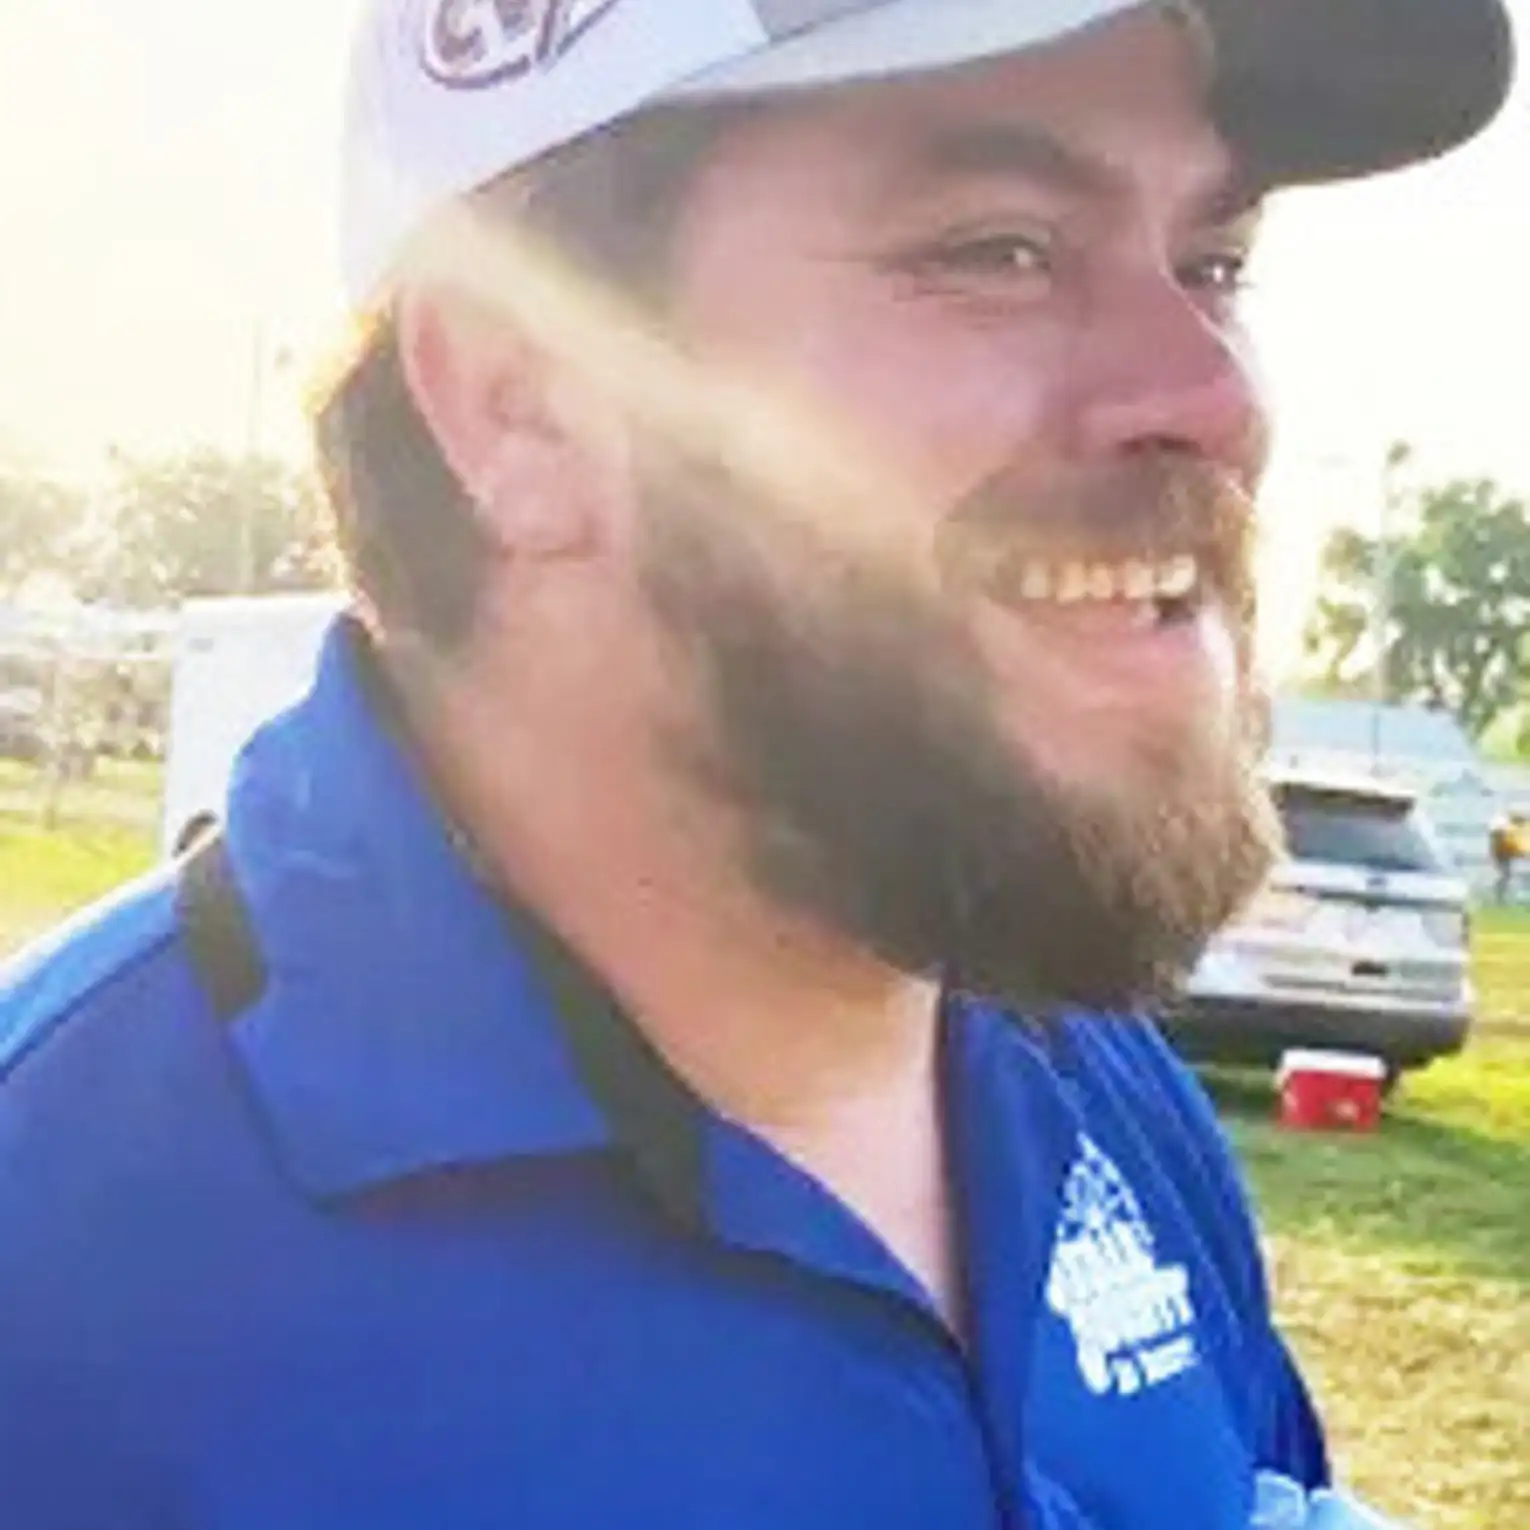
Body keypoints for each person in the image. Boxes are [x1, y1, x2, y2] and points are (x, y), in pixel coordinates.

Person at [0, 2, 1514, 1525]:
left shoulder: (1089, 1082)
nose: (1213, 402)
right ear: (522, 397)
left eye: (1213, 265)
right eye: (997, 250)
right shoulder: (67, 1263)